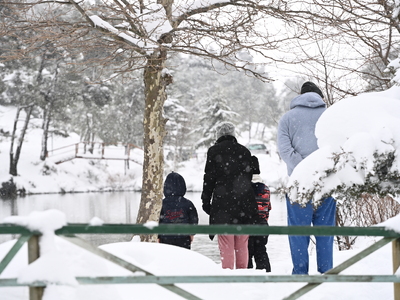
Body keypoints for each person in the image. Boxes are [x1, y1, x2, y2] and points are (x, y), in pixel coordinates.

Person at [277, 81, 336, 275]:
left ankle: (300, 275)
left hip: (298, 184)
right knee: (325, 233)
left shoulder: (287, 119)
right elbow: (337, 148)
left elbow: (285, 150)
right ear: (320, 96)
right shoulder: (330, 116)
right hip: (326, 183)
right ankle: (326, 273)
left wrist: (303, 169)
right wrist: (320, 170)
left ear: (300, 96)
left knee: (298, 233)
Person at [201, 121, 259, 269]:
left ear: (218, 135)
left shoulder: (214, 151)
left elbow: (209, 179)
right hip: (244, 204)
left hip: (223, 205)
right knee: (242, 243)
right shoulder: (244, 151)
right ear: (233, 134)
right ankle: (242, 275)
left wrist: (206, 202)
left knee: (226, 242)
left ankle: (227, 275)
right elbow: (249, 178)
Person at [158, 172, 199, 249]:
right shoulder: (188, 204)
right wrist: (192, 234)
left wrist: (158, 236)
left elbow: (158, 221)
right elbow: (194, 220)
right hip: (183, 238)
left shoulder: (161, 204)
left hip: (166, 238)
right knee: (183, 259)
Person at [247, 155, 272, 272]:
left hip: (248, 224)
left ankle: (248, 276)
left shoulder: (245, 187)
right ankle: (266, 274)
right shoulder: (266, 189)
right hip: (263, 225)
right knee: (261, 251)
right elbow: (268, 208)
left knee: (247, 253)